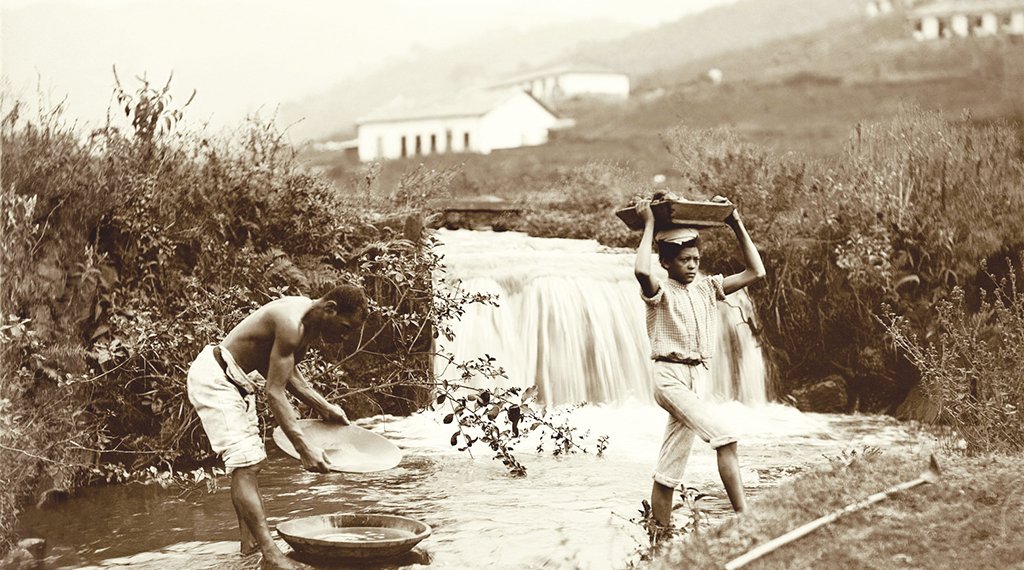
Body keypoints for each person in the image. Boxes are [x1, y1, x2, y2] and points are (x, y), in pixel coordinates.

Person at [187, 284, 368, 569]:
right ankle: (271, 555)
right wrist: (304, 447)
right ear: (330, 309)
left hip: (237, 384)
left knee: (250, 465)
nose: (344, 337)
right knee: (245, 465)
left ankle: (250, 546)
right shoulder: (290, 322)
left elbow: (289, 373)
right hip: (215, 379)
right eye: (345, 328)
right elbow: (274, 391)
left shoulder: (306, 319)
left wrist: (326, 407)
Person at [633, 197, 765, 529]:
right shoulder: (660, 292)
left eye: (695, 259)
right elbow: (640, 270)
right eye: (683, 260)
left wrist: (735, 223)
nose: (692, 265)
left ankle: (658, 533)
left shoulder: (708, 288)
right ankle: (745, 518)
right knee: (725, 436)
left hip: (695, 378)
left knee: (670, 468)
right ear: (666, 262)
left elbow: (756, 271)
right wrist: (649, 223)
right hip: (669, 377)